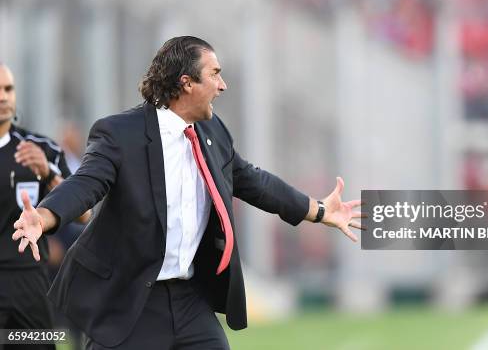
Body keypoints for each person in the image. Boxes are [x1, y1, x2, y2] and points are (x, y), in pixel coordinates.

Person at [13, 36, 364, 349]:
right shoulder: (120, 133)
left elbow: (253, 181)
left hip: (188, 299)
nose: (223, 85)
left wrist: (318, 210)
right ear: (186, 83)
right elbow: (86, 184)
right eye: (214, 74)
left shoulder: (213, 132)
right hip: (131, 299)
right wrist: (44, 216)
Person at [0, 63, 89, 349]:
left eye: (8, 89)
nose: (3, 97)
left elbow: (84, 213)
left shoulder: (41, 149)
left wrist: (48, 173)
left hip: (30, 283)